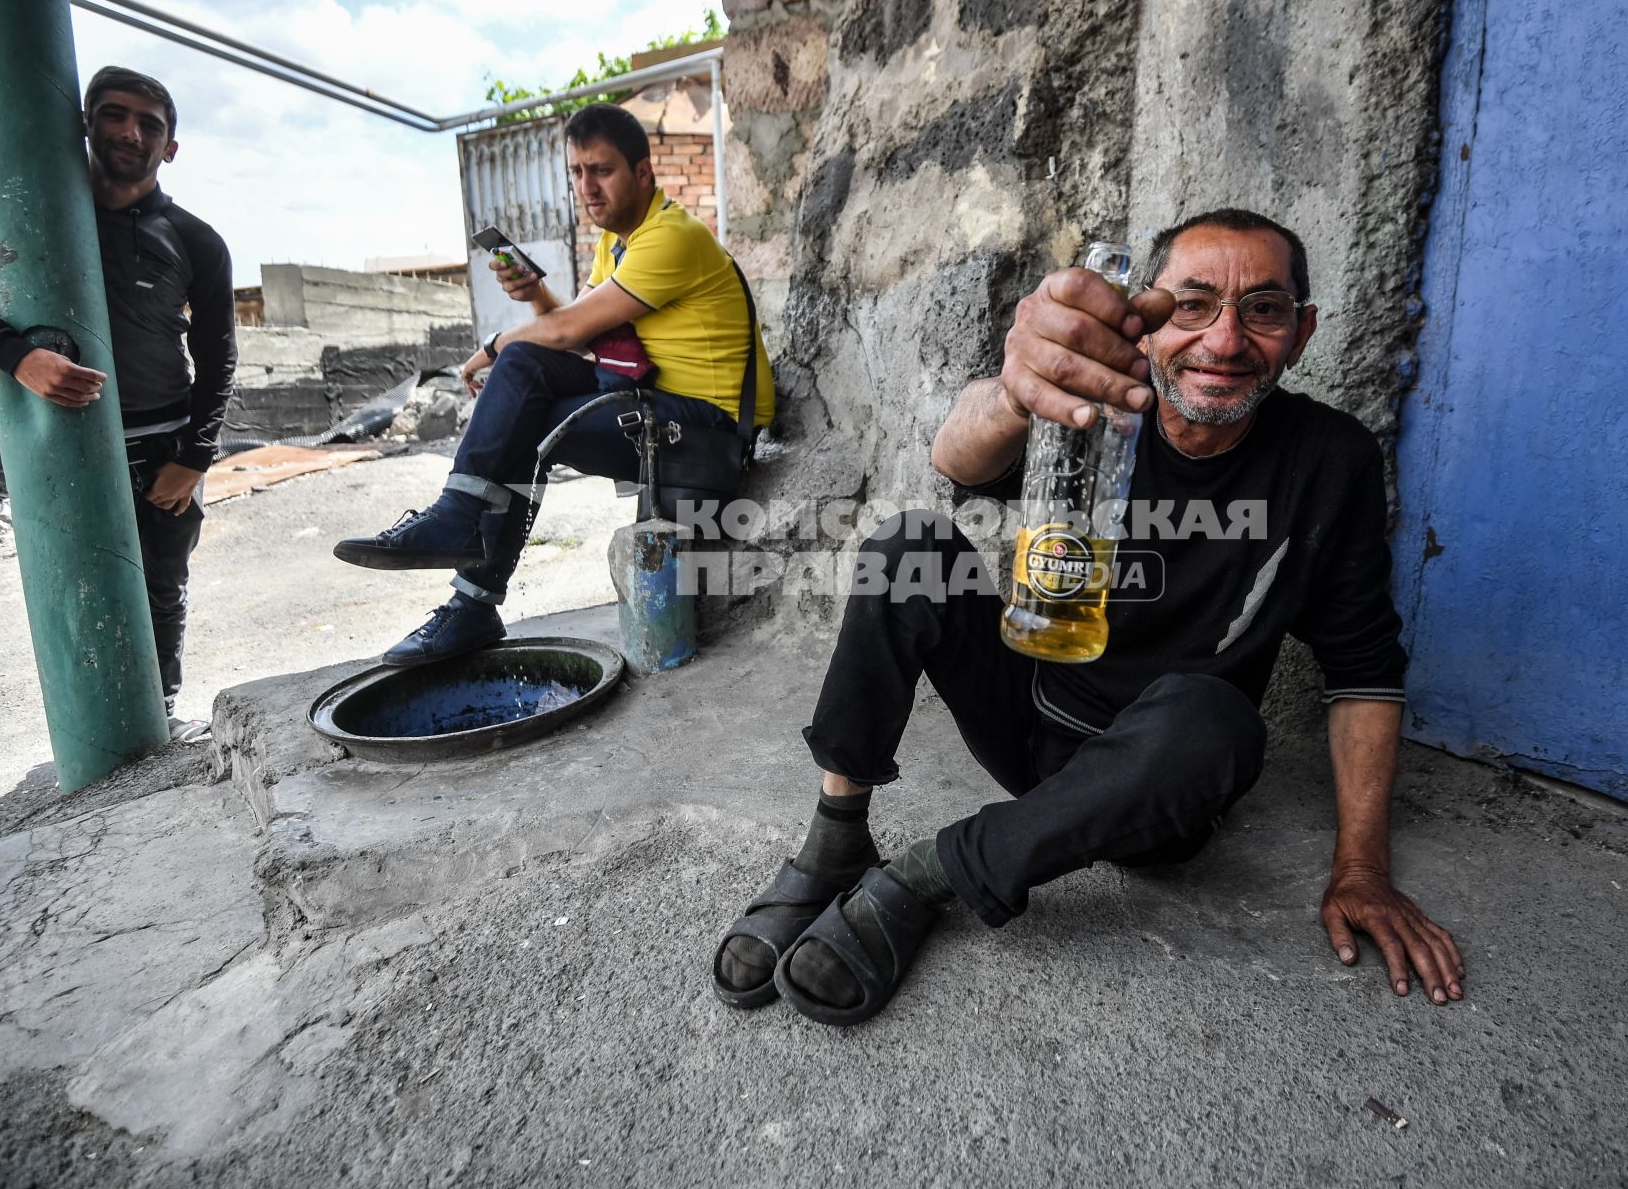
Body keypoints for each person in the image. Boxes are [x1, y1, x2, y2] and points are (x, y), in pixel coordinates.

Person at [712, 208, 1465, 1025]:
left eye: (1264, 310)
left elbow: (1362, 669)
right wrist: (1012, 387)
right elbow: (955, 459)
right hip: (1027, 723)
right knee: (910, 547)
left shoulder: (1331, 459)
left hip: (1154, 789)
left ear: (1303, 330)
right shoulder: (1094, 409)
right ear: (1144, 314)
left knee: (1220, 718)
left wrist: (1362, 867)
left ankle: (929, 875)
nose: (1223, 340)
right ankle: (836, 837)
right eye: (1192, 305)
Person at [334, 103, 775, 665]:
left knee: (524, 397)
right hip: (657, 399)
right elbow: (596, 338)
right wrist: (534, 297)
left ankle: (470, 586)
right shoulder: (616, 242)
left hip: (705, 428)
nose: (586, 186)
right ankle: (459, 528)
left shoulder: (671, 237)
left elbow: (567, 331)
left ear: (643, 173)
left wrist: (493, 345)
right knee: (524, 376)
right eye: (576, 172)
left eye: (602, 170)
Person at [0, 66, 235, 743]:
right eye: (115, 115)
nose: (131, 132)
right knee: (73, 587)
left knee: (159, 587)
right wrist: (14, 354)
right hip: (61, 444)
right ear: (86, 124)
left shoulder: (196, 240)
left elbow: (219, 359)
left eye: (150, 124)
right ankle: (93, 730)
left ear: (170, 147)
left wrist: (194, 458)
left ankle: (159, 717)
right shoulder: (24, 213)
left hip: (163, 449)